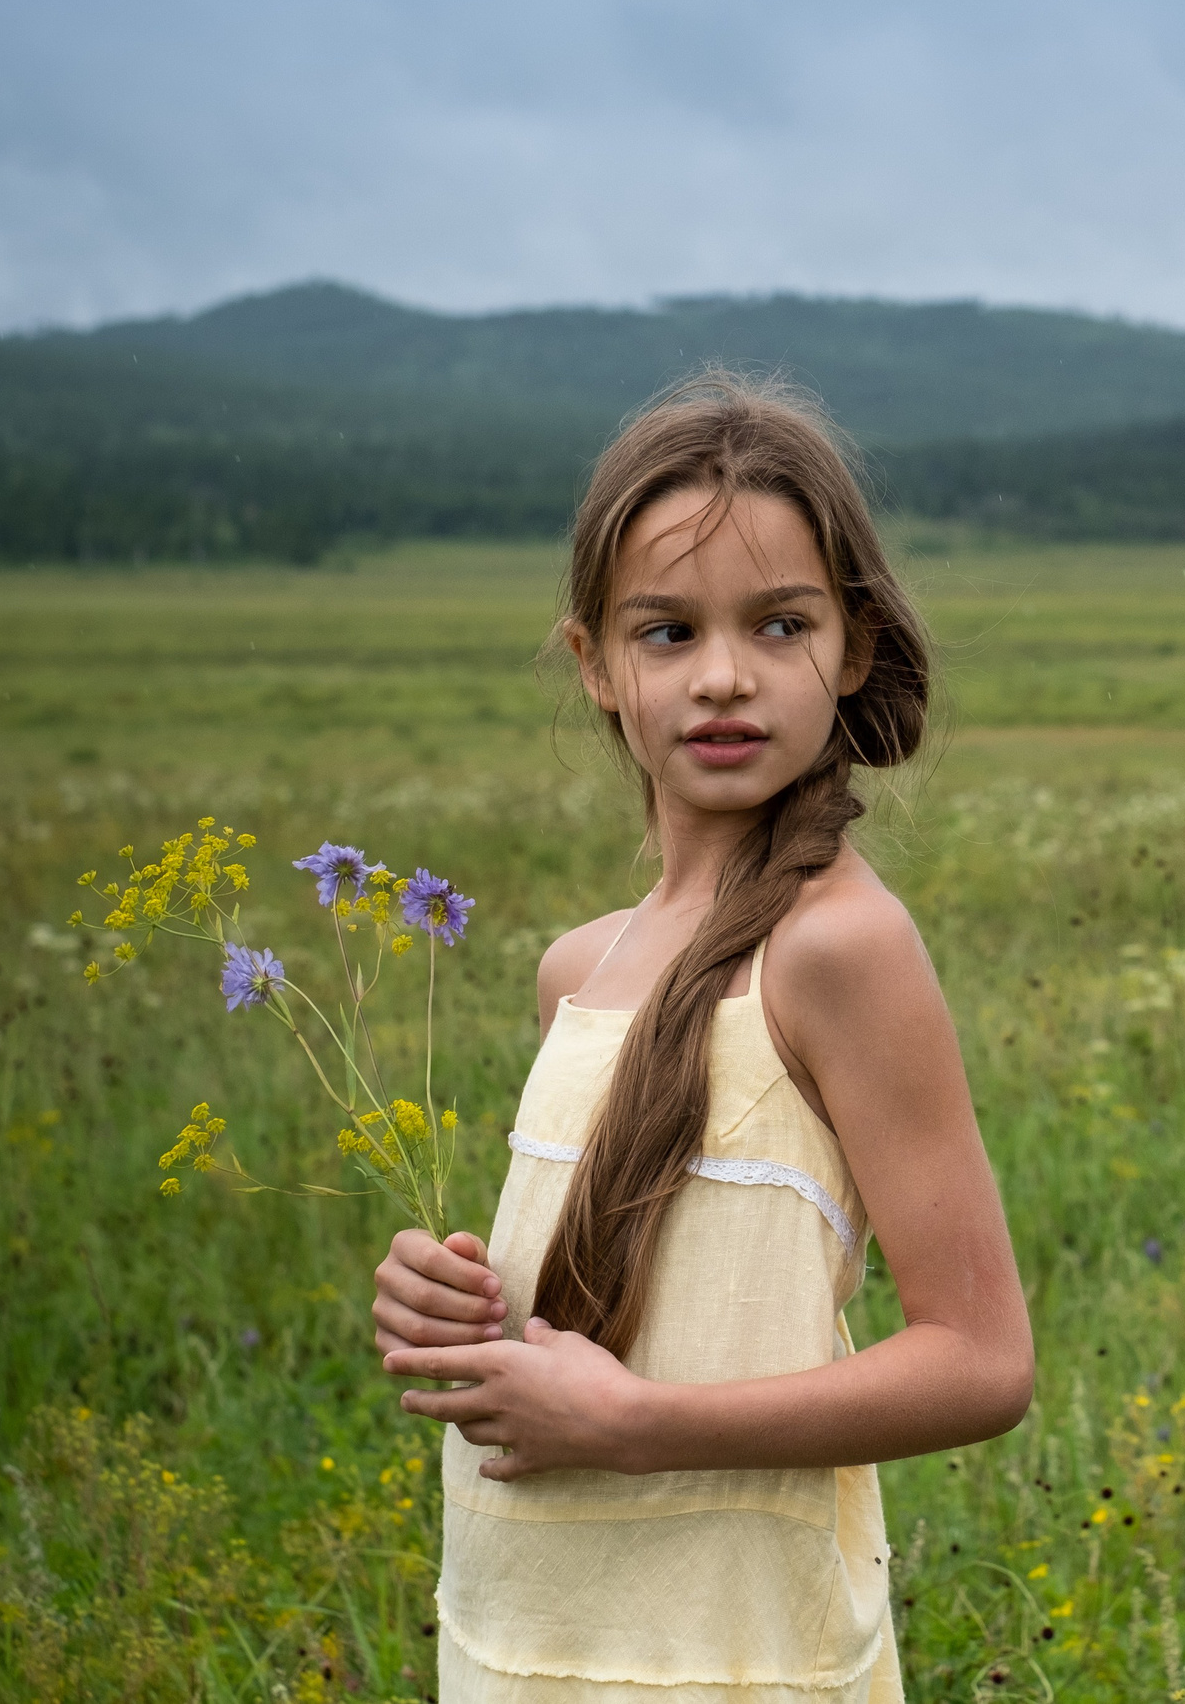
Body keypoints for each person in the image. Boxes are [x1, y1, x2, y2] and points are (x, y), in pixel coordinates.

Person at [369, 373, 1035, 1701]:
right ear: (596, 667)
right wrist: (451, 1305)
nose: (723, 675)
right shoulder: (579, 972)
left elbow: (983, 1360)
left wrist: (642, 1431)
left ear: (849, 648)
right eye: (667, 632)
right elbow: (604, 1321)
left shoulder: (840, 949)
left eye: (778, 624)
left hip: (738, 1656)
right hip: (530, 1638)